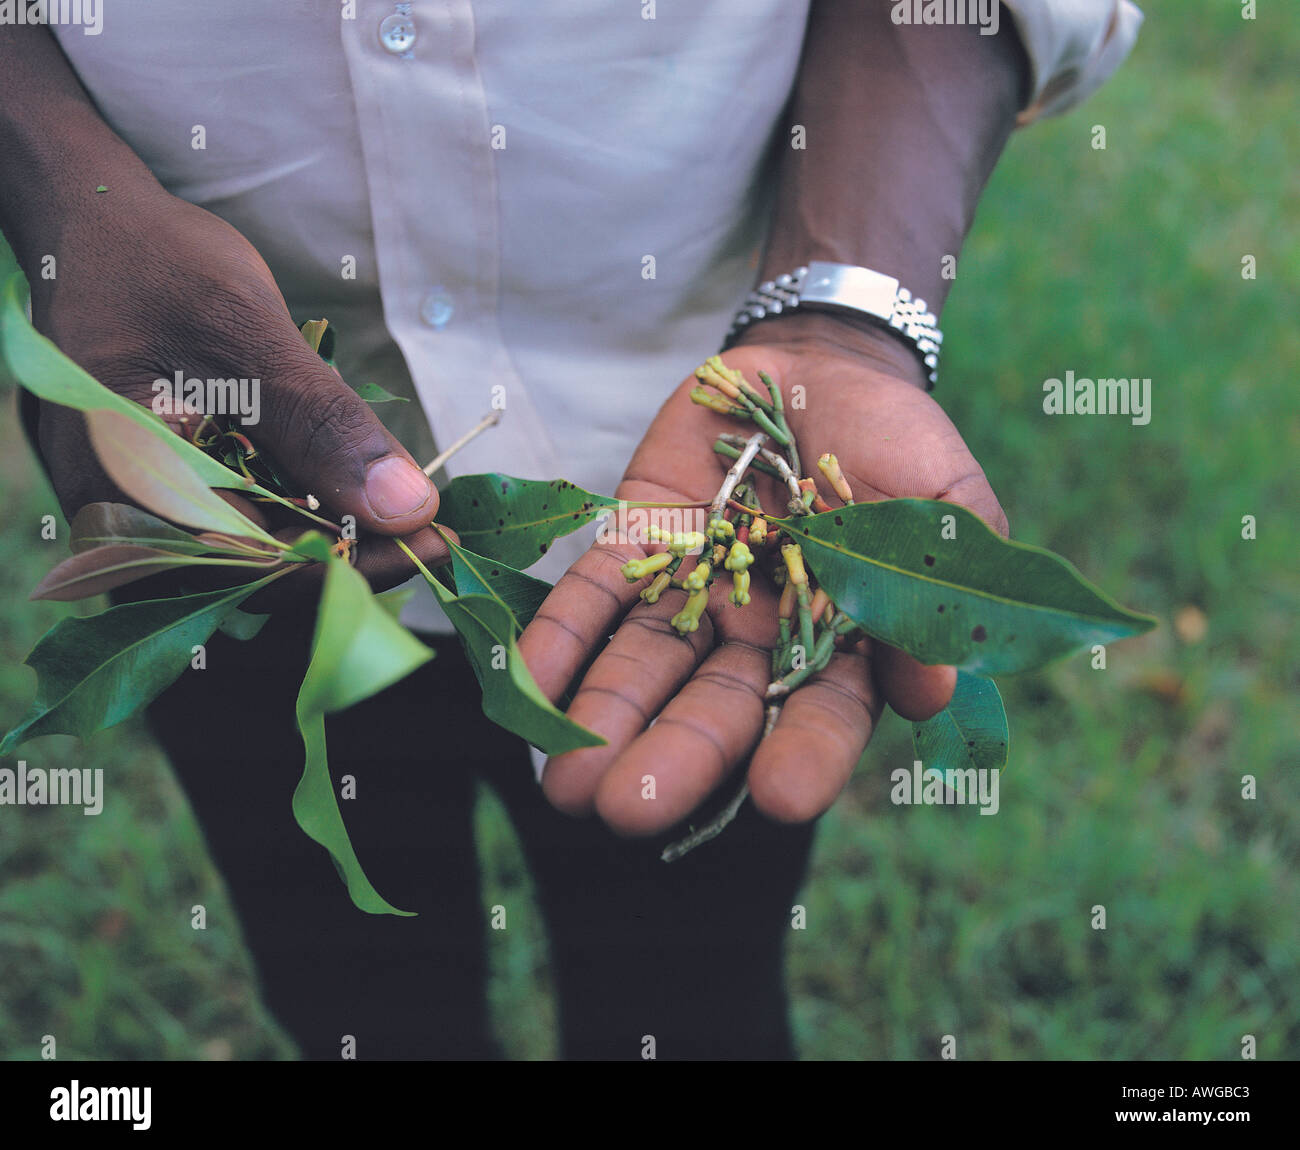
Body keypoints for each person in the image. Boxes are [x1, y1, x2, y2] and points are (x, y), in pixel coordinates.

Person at [0, 1, 1141, 1059]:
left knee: (691, 1005)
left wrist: (842, 320)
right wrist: (58, 193)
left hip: (687, 465)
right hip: (228, 482)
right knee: (354, 1007)